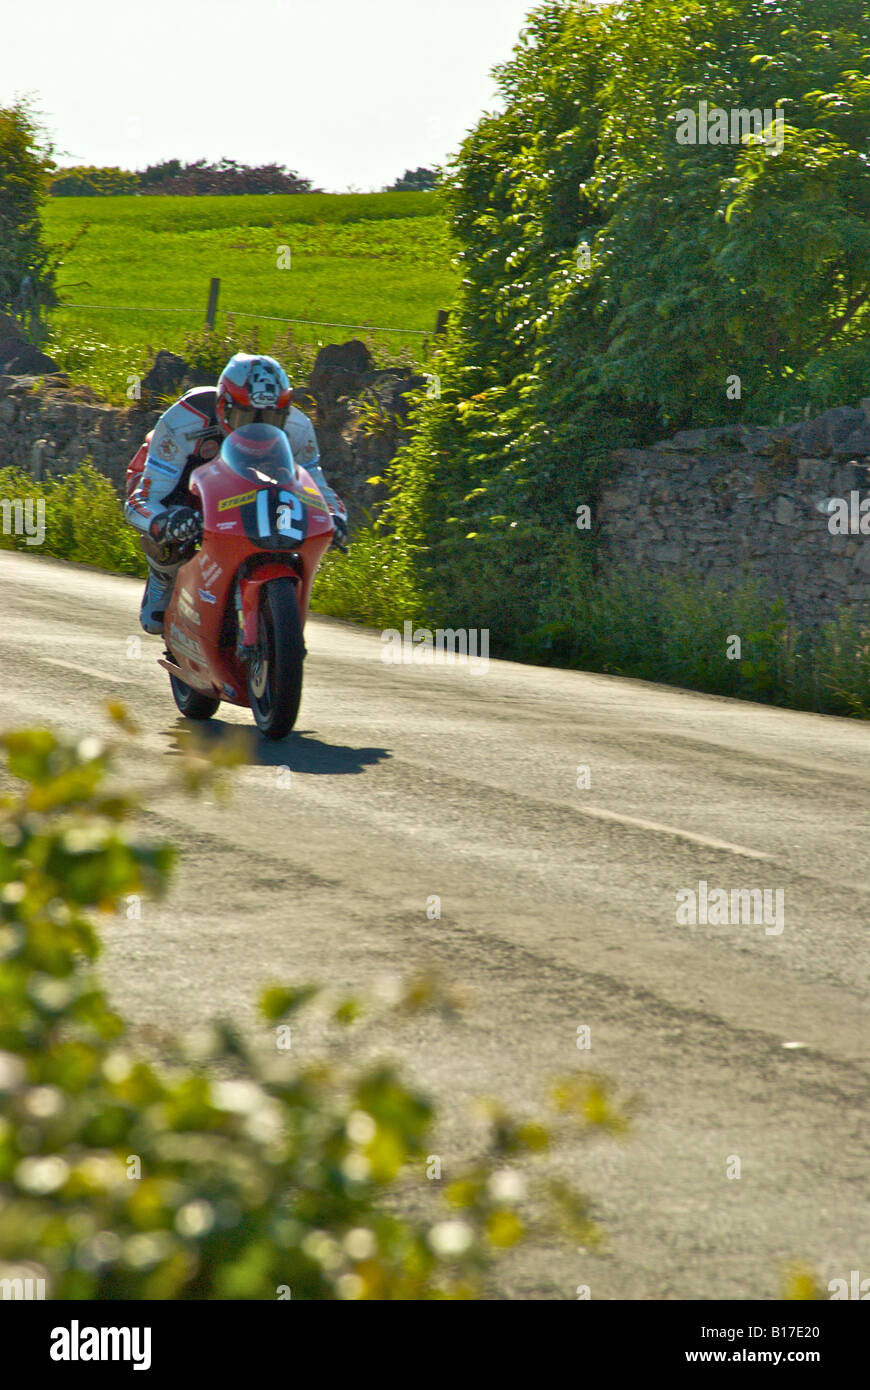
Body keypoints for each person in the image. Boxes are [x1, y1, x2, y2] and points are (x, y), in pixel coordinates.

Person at [125, 352, 348, 634]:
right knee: (168, 535)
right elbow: (141, 500)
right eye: (246, 416)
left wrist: (334, 517)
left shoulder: (298, 427)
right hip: (176, 481)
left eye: (269, 417)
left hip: (250, 482)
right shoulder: (184, 419)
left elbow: (317, 486)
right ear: (223, 407)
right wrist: (164, 521)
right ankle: (163, 574)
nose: (258, 427)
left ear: (284, 411)